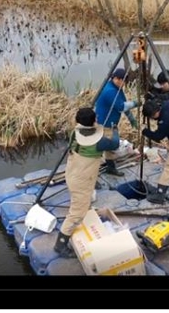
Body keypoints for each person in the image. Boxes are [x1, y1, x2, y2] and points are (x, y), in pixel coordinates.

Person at [54, 107, 120, 258]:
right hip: (82, 182)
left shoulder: (75, 132)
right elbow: (115, 143)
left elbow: (91, 129)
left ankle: (80, 217)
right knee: (76, 214)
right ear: (94, 121)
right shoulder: (99, 143)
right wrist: (115, 130)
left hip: (72, 173)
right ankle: (60, 244)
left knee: (83, 202)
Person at [95, 68, 140, 176]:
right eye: (123, 81)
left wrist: (132, 119)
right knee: (107, 146)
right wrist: (135, 103)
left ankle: (110, 168)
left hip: (111, 123)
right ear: (117, 79)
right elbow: (121, 106)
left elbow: (123, 104)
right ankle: (92, 175)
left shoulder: (117, 88)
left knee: (109, 149)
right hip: (104, 124)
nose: (124, 84)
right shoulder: (110, 91)